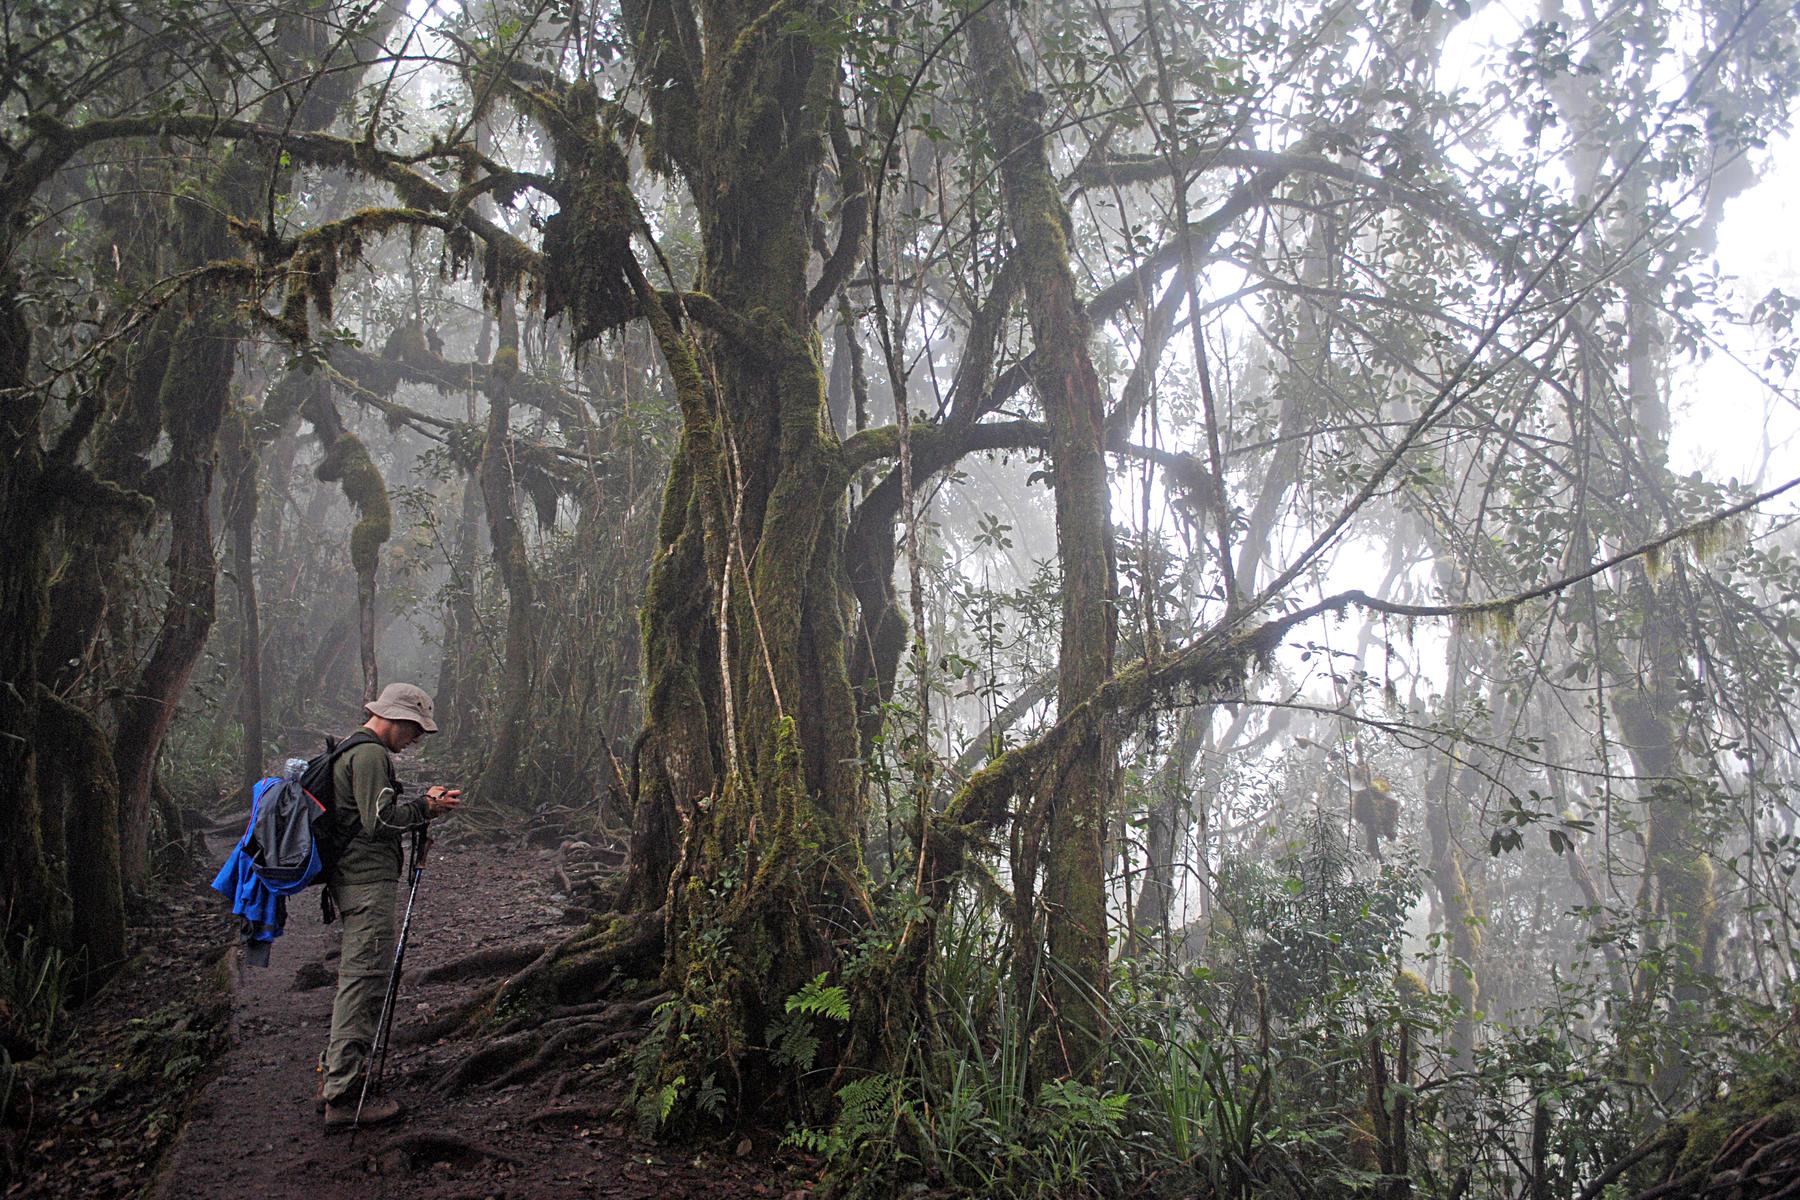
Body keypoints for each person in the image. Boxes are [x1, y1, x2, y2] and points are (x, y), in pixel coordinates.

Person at [319, 682, 461, 1131]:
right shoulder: (369, 755)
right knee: (363, 982)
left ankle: (334, 1075)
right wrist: (426, 807)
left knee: (359, 979)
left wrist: (420, 811)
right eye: (414, 730)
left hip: (355, 879)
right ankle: (342, 1096)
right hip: (365, 884)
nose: (415, 740)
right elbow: (378, 821)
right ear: (395, 719)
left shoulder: (354, 750)